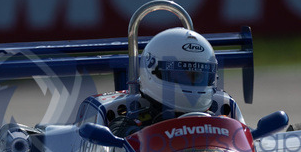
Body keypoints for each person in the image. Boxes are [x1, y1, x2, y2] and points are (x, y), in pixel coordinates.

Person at [101, 27, 243, 137]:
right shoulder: (129, 128)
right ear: (153, 69)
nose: (192, 82)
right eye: (182, 74)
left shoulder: (224, 118)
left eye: (199, 75)